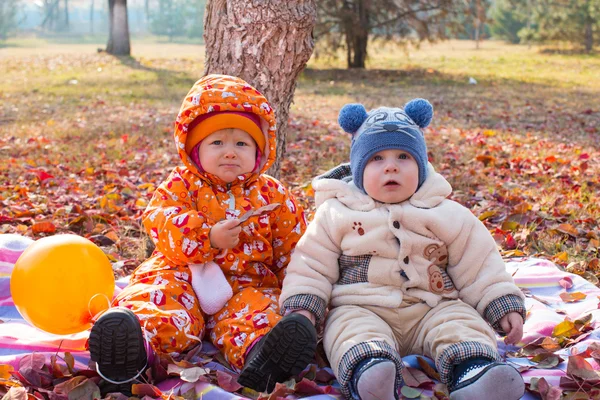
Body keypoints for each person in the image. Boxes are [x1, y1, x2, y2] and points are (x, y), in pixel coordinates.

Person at [272, 99, 527, 400]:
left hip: (433, 307)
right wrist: (304, 307)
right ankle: (370, 370)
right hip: (362, 307)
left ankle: (474, 373)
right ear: (357, 170)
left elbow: (479, 263)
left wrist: (502, 303)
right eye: (377, 158)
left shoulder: (447, 213)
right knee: (347, 331)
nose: (390, 166)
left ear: (421, 166)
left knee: (461, 324)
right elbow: (311, 264)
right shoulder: (336, 214)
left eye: (403, 156)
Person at [87, 74, 314, 395]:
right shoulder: (181, 184)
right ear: (194, 149)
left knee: (257, 313)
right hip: (181, 274)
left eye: (242, 143)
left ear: (260, 151)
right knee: (159, 303)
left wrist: (302, 294)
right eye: (217, 142)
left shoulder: (273, 196)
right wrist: (206, 237)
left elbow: (297, 247)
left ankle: (265, 358)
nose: (230, 152)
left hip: (245, 284)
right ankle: (133, 351)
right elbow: (159, 222)